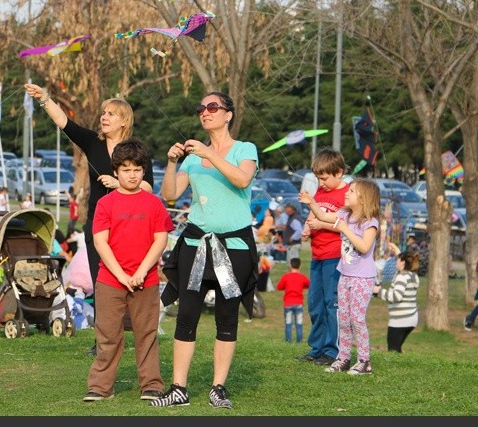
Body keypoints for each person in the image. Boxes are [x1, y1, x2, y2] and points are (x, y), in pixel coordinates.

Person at [24, 81, 154, 356]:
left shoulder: (136, 150)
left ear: (124, 121)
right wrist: (45, 98)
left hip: (129, 224)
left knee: (129, 281)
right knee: (102, 283)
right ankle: (103, 342)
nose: (103, 117)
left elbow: (149, 187)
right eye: (103, 112)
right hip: (99, 222)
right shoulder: (93, 143)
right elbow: (65, 123)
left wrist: (120, 184)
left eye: (110, 114)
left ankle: (137, 335)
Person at [153, 91, 258, 409]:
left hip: (234, 247)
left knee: (227, 317)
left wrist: (210, 155)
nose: (205, 112)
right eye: (201, 107)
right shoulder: (192, 157)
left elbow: (242, 179)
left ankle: (218, 387)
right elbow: (170, 195)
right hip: (196, 245)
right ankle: (178, 388)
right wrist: (172, 163)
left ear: (228, 114)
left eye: (213, 107)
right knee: (186, 315)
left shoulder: (244, 149)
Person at [82, 138, 172, 402]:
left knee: (146, 334)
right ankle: (100, 387)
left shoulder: (154, 203)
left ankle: (151, 384)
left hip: (147, 279)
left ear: (144, 171)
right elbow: (100, 241)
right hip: (110, 281)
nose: (132, 175)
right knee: (108, 335)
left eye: (137, 170)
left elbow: (161, 239)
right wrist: (121, 275)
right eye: (126, 170)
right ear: (116, 171)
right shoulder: (106, 204)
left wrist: (141, 272)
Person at [300, 177, 380, 375]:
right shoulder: (344, 214)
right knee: (343, 318)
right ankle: (343, 357)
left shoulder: (370, 223)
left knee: (357, 319)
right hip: (344, 275)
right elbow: (322, 215)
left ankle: (364, 361)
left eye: (351, 191)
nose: (346, 193)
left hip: (362, 279)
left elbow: (363, 247)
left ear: (363, 199)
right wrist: (311, 203)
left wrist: (344, 229)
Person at [296, 147, 349, 367]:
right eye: (318, 179)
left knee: (331, 303)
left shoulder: (347, 195)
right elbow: (314, 211)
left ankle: (333, 350)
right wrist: (308, 228)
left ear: (338, 172)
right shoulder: (322, 191)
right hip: (317, 255)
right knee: (315, 303)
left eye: (325, 178)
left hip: (335, 256)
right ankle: (316, 349)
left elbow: (348, 226)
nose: (322, 183)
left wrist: (322, 224)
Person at [373, 242, 421, 353]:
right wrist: (397, 251)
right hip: (411, 319)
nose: (396, 261)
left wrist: (378, 291)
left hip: (400, 320)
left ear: (403, 263)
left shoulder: (401, 278)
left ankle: (397, 367)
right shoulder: (413, 276)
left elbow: (395, 297)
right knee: (397, 347)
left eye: (398, 260)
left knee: (393, 349)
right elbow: (404, 260)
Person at [276, 257, 311, 343]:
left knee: (288, 323)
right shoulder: (302, 277)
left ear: (290, 265)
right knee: (299, 324)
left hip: (288, 303)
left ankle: (288, 341)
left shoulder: (286, 277)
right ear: (300, 266)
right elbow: (309, 284)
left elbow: (279, 287)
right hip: (299, 303)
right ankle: (299, 341)